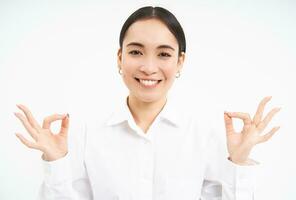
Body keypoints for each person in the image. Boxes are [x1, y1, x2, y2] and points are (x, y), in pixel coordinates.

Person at [14, 6, 281, 200]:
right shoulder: (86, 131)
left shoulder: (203, 132)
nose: (149, 67)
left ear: (180, 62)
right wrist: (56, 162)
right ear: (120, 58)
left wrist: (239, 161)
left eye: (164, 54)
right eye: (136, 52)